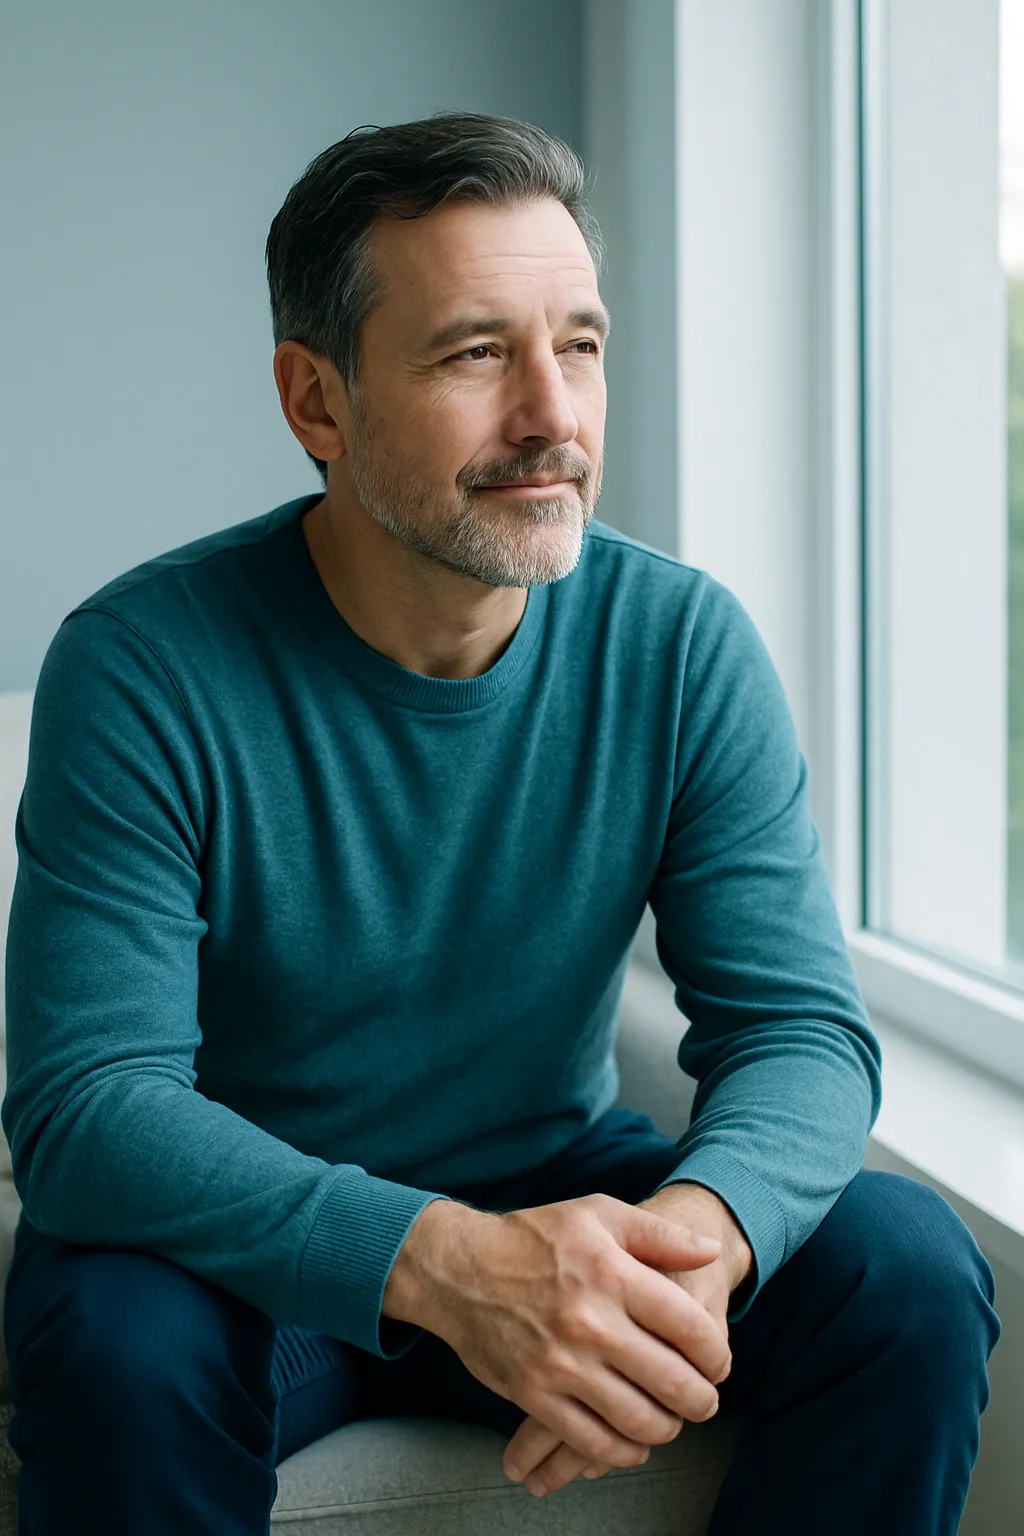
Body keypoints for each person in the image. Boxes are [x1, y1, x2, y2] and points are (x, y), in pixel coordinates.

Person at [0, 111, 1000, 1535]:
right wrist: (450, 1265)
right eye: (476, 353)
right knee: (116, 1343)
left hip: (558, 1183)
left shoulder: (680, 644)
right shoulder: (142, 666)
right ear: (317, 402)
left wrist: (689, 1252)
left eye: (578, 345)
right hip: (240, 1250)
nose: (553, 415)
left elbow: (799, 1032)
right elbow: (91, 1110)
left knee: (906, 1269)